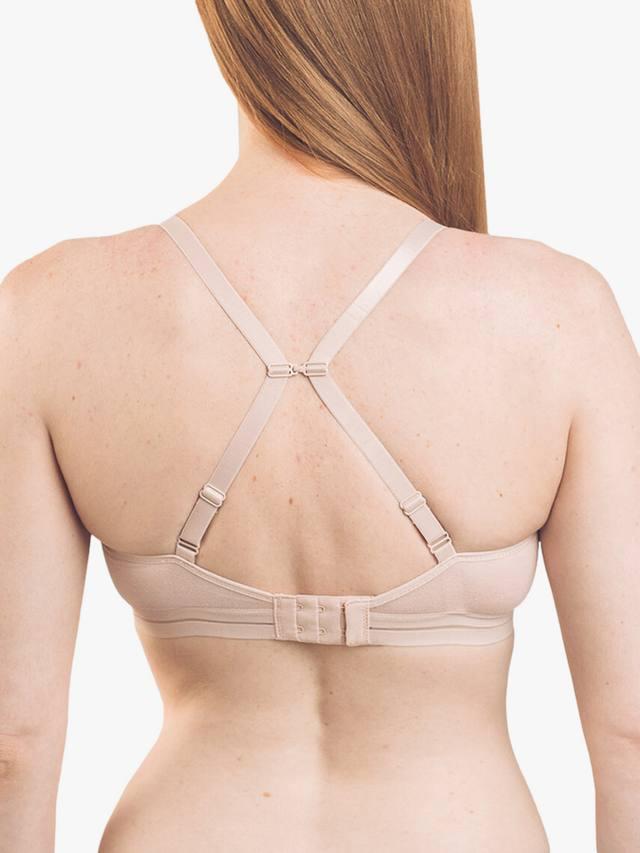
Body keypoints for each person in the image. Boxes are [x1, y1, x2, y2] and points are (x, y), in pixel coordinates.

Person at [1, 1, 638, 851]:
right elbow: (631, 731)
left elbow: (13, 739)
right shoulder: (558, 314)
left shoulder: (54, 311)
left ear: (233, 28)